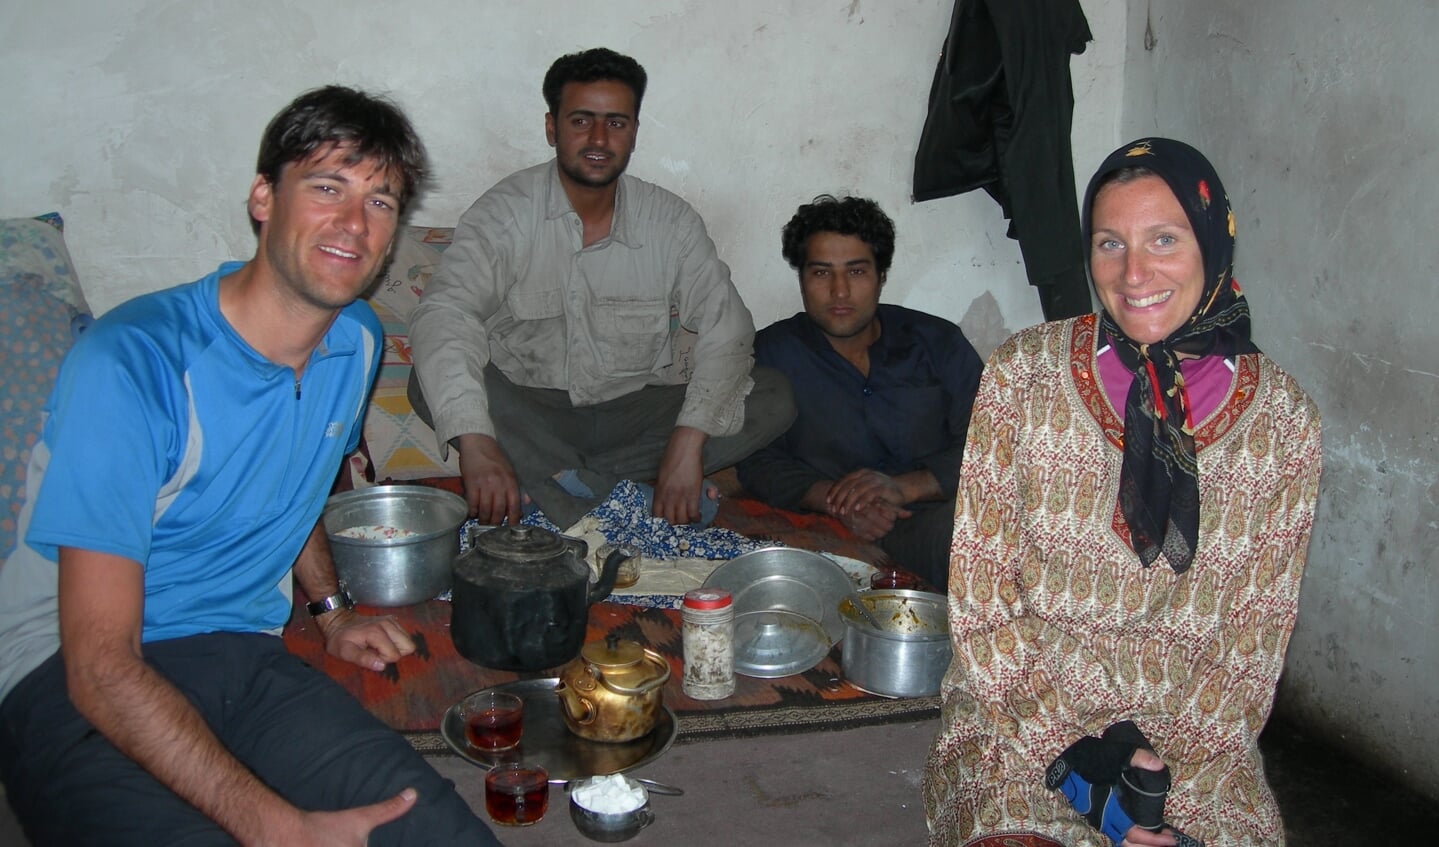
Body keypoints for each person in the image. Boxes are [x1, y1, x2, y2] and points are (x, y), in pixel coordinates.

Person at [0, 86, 501, 846]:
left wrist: (331, 612)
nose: (352, 224)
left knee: (429, 828)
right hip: (70, 675)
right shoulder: (136, 363)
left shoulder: (354, 338)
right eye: (327, 187)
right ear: (263, 197)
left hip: (239, 651)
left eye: (380, 202)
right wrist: (277, 826)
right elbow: (101, 667)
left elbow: (292, 480)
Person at [923, 138, 1322, 847]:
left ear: (1210, 240)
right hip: (1024, 718)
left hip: (1194, 737)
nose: (1133, 273)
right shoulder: (1023, 377)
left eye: (1163, 239)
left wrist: (1162, 790)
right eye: (1109, 243)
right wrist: (1075, 758)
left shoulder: (1284, 423)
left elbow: (1253, 640)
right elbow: (983, 600)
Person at [407, 47, 794, 530]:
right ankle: (618, 501)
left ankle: (567, 486)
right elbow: (447, 314)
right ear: (552, 128)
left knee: (774, 394)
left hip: (632, 414)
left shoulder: (669, 222)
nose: (598, 138)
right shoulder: (504, 214)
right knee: (428, 381)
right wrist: (477, 442)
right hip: (531, 410)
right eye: (581, 121)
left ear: (633, 131)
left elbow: (728, 330)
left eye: (615, 123)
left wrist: (687, 443)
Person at [735, 196, 982, 589]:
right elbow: (756, 460)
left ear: (881, 275)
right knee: (968, 541)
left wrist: (906, 486)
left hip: (959, 502)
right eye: (820, 273)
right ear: (801, 278)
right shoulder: (772, 354)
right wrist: (836, 499)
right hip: (910, 529)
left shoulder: (937, 342)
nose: (839, 292)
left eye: (856, 272)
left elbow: (993, 441)